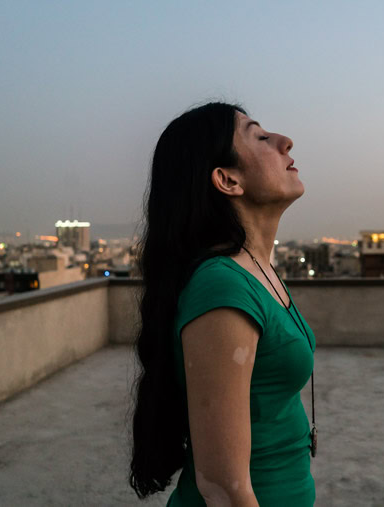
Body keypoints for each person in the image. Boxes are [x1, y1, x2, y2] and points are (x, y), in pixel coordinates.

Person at [129, 102, 316, 506]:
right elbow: (224, 490)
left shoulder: (256, 270)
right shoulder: (221, 288)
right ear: (227, 179)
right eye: (261, 138)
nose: (285, 142)